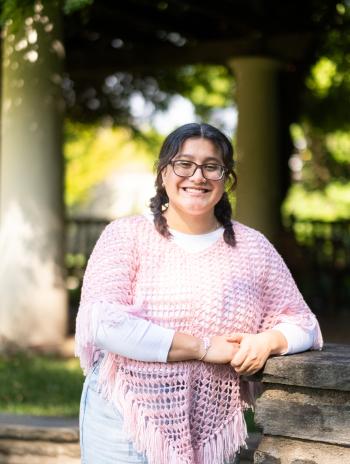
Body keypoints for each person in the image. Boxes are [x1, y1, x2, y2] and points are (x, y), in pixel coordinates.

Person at [75, 122, 323, 464]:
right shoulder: (126, 236)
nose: (197, 176)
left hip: (210, 422)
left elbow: (305, 324)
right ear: (163, 173)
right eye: (184, 164)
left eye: (211, 166)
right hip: (123, 417)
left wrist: (268, 341)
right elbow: (105, 324)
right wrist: (204, 348)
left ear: (226, 179)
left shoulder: (253, 247)